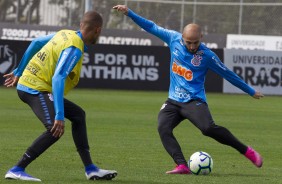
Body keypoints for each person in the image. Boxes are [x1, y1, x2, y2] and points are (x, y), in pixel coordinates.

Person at [113, 5, 264, 174]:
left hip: (194, 101)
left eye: (196, 43)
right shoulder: (173, 38)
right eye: (189, 42)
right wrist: (129, 13)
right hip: (173, 101)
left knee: (208, 129)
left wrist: (250, 91)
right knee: (163, 128)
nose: (192, 46)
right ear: (183, 38)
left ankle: (246, 151)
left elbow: (228, 74)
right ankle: (182, 165)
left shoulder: (207, 56)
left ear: (202, 37)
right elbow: (151, 26)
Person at [3, 11, 117, 181]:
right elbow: (59, 77)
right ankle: (17, 168)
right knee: (54, 129)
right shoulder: (74, 47)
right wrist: (59, 115)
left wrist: (19, 70)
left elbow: (35, 43)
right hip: (34, 88)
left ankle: (91, 169)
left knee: (78, 115)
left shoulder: (65, 33)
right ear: (98, 30)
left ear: (80, 25)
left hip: (33, 84)